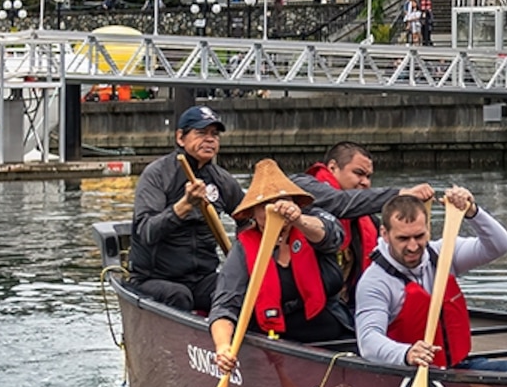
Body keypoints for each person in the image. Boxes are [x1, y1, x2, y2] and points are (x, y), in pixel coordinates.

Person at [353, 186, 507, 371]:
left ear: (428, 229)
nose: (413, 246)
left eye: (419, 236)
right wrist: (406, 354)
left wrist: (473, 212)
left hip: (455, 367)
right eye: (403, 238)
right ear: (385, 234)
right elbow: (368, 341)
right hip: (405, 372)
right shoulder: (375, 282)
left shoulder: (444, 254)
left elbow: (501, 245)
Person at [207, 160, 351, 348]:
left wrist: (298, 220)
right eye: (265, 206)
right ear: (253, 213)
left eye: (281, 203)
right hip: (274, 337)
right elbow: (224, 306)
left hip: (328, 330)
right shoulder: (244, 248)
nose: (274, 211)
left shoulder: (312, 222)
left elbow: (333, 236)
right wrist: (223, 347)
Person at [128, 104, 240, 310]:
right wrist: (184, 205)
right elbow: (146, 231)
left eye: (215, 134)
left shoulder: (222, 180)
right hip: (156, 278)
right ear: (181, 137)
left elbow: (247, 219)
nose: (210, 139)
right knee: (179, 296)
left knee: (236, 291)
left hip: (202, 278)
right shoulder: (157, 175)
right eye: (201, 133)